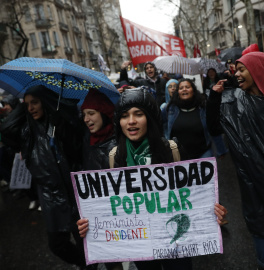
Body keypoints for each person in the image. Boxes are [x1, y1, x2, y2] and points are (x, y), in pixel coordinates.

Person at [77, 87, 228, 270]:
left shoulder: (173, 150)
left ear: (150, 117)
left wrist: (214, 214)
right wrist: (91, 224)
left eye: (138, 114)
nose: (131, 121)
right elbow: (109, 207)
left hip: (176, 243)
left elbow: (196, 198)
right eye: (124, 116)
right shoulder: (114, 157)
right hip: (141, 245)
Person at [0, 85, 87, 269]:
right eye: (27, 104)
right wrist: (22, 109)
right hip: (50, 196)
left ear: (45, 102)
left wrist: (60, 119)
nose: (30, 108)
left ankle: (88, 265)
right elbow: (6, 129)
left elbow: (76, 150)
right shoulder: (27, 131)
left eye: (35, 103)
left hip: (74, 193)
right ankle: (81, 262)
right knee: (57, 245)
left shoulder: (61, 123)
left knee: (84, 243)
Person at [206, 51, 264, 270]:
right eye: (237, 69)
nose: (237, 73)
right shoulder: (233, 103)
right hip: (256, 199)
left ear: (258, 70)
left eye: (242, 69)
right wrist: (214, 98)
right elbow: (214, 127)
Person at [79, 89, 123, 270]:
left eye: (91, 113)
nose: (86, 119)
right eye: (84, 114)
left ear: (105, 113)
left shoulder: (121, 141)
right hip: (99, 216)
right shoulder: (86, 140)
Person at [162, 79, 213, 160]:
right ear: (178, 92)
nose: (184, 89)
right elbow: (162, 125)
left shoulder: (203, 107)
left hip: (203, 154)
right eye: (181, 88)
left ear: (193, 90)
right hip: (177, 156)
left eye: (187, 87)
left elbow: (213, 128)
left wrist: (221, 149)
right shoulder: (169, 109)